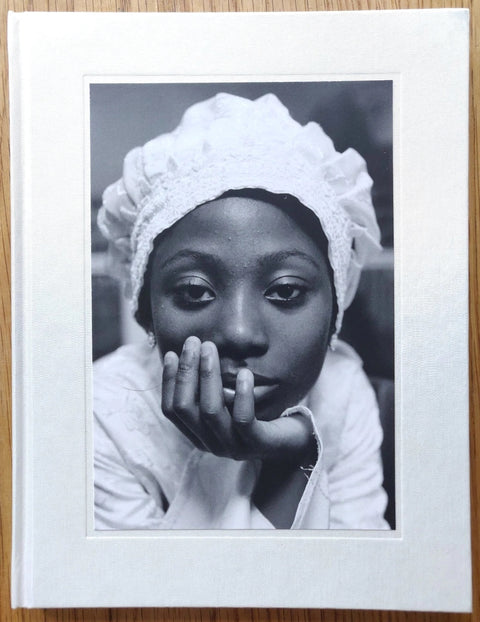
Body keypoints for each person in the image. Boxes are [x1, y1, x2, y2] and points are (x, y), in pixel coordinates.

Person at [94, 92, 389, 530]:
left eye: (286, 292)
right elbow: (147, 596)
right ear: (144, 311)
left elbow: (361, 584)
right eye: (195, 292)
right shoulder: (101, 413)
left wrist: (293, 459)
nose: (239, 331)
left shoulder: (342, 391)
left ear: (336, 309)